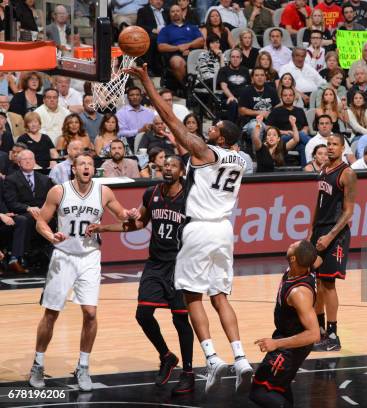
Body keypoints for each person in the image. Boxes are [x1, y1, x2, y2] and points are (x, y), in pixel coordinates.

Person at [127, 64, 254, 393]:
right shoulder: (238, 160)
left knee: (192, 296)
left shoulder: (204, 150)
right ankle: (240, 357)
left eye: (214, 130)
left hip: (199, 229)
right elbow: (195, 146)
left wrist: (145, 81)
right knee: (221, 297)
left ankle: (212, 358)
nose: (208, 130)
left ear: (221, 138)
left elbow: (170, 117)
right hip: (225, 230)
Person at [28, 153, 138, 391]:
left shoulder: (104, 192)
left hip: (90, 256)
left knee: (90, 313)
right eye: (82, 164)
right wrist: (51, 235)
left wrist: (130, 215)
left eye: (90, 164)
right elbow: (41, 222)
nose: (86, 167)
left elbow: (124, 219)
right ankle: (37, 363)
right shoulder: (59, 191)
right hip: (63, 256)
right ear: (74, 169)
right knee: (51, 313)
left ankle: (83, 366)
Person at [88, 155, 196, 395]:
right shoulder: (151, 192)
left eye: (173, 165)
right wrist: (103, 227)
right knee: (143, 314)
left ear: (181, 171)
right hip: (156, 264)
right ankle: (167, 356)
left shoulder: (191, 195)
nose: (168, 168)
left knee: (180, 320)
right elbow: (138, 224)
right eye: (165, 164)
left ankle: (189, 372)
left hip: (181, 265)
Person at [249, 240, 320, 407]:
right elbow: (318, 260)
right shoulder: (302, 266)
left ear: (294, 258)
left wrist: (276, 343)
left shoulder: (299, 293)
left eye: (293, 245)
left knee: (259, 392)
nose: (291, 243)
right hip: (285, 335)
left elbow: (314, 334)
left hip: (291, 345)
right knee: (280, 387)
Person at [310, 134, 356, 352]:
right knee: (317, 282)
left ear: (342, 147)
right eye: (328, 144)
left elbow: (348, 212)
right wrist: (311, 230)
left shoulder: (347, 174)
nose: (330, 148)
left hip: (336, 233)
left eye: (334, 144)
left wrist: (329, 236)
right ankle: (318, 331)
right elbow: (317, 204)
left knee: (328, 283)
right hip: (319, 230)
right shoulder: (323, 170)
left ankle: (333, 334)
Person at [157, 4, 205, 84]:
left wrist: (188, 46)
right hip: (176, 55)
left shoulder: (192, 27)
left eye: (177, 11)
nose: (175, 13)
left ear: (182, 13)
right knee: (176, 61)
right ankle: (187, 88)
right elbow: (161, 47)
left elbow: (201, 40)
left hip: (193, 53)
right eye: (173, 11)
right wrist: (178, 48)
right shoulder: (165, 30)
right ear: (170, 14)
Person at [116, 87, 155, 151]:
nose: (135, 97)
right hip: (129, 143)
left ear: (141, 97)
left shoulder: (150, 112)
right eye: (132, 95)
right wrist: (139, 131)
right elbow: (120, 133)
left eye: (137, 95)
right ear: (128, 97)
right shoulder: (121, 113)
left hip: (149, 143)